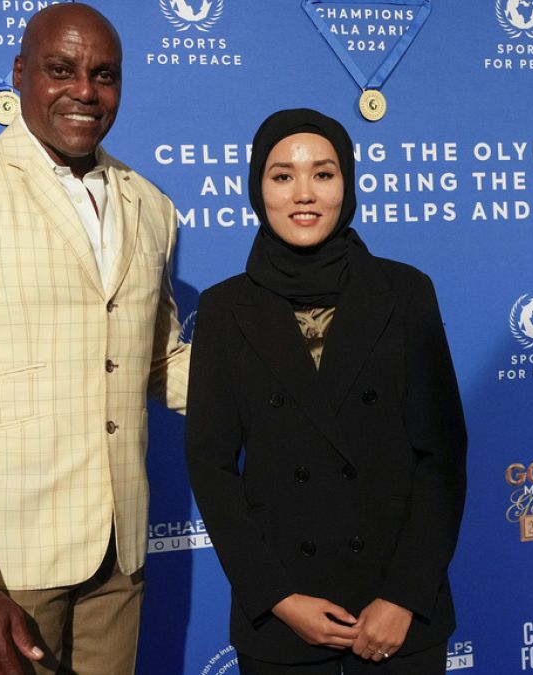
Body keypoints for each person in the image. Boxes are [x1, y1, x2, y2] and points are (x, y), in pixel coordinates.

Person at [0, 5, 189, 675]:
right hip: (5, 568)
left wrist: (292, 378)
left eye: (104, 75)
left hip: (119, 557)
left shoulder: (151, 205)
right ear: (19, 75)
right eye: (60, 69)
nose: (84, 90)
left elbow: (155, 359)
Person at [185, 109, 466, 674]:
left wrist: (405, 596)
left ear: (348, 185)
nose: (304, 194)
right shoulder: (223, 308)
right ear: (257, 189)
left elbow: (442, 457)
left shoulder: (405, 291)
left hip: (395, 615)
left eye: (324, 173)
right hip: (284, 618)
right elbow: (210, 465)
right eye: (282, 175)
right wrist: (279, 598)